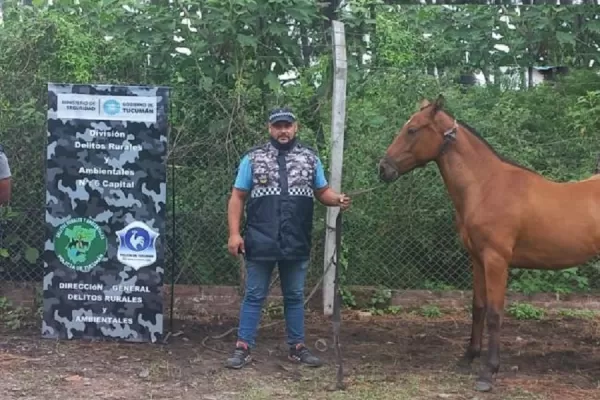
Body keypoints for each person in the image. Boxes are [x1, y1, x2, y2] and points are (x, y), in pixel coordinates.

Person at [225, 107, 351, 370]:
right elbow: (237, 196)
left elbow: (323, 192)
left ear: (296, 128)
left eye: (287, 126)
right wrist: (235, 234)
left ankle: (297, 347)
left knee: (294, 295)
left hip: (296, 240)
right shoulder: (253, 158)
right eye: (278, 126)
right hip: (260, 240)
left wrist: (337, 199)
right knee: (255, 294)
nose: (283, 131)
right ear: (269, 129)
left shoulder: (310, 159)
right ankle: (243, 347)